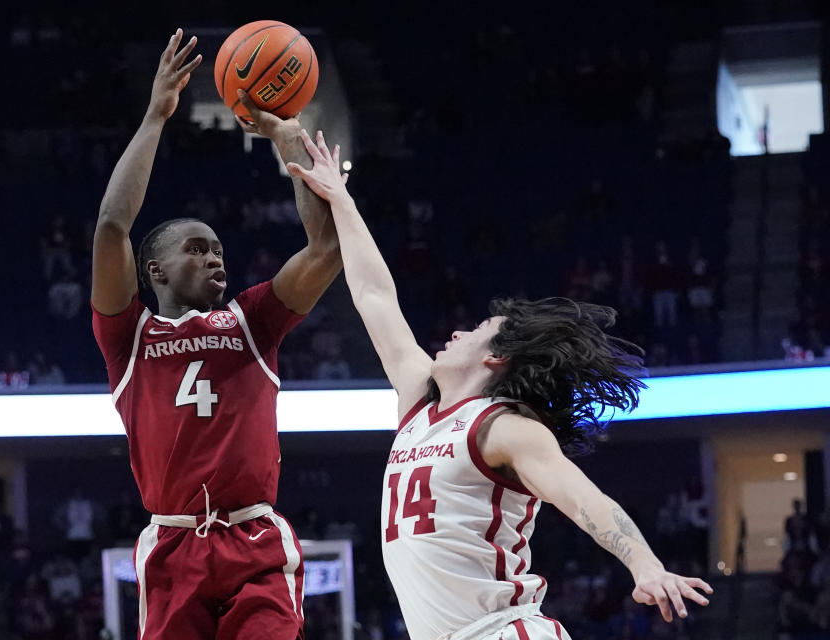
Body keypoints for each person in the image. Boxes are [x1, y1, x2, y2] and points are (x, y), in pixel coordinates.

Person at [285, 129, 712, 640]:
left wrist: (645, 565)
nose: (456, 332)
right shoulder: (419, 401)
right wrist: (342, 199)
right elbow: (374, 295)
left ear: (496, 357)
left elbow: (584, 500)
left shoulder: (504, 428)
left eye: (474, 330)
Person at [90, 29, 341, 640]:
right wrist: (155, 117)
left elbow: (328, 248)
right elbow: (111, 227)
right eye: (197, 250)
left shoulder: (254, 320)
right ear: (156, 269)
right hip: (173, 544)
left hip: (254, 542)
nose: (215, 259)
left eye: (219, 250)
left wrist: (288, 140)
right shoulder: (129, 337)